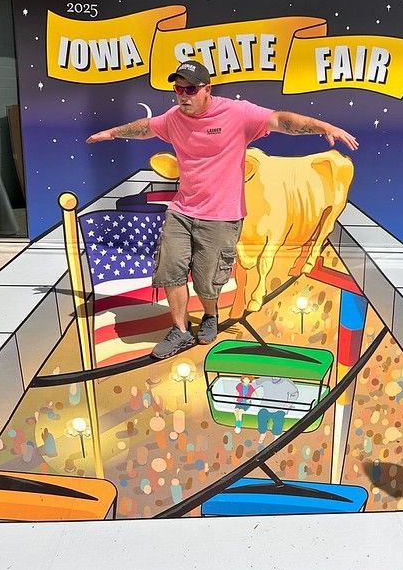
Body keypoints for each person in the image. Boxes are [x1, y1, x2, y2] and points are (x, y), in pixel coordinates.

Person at [86, 59, 358, 359]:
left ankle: (210, 314)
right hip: (181, 211)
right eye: (178, 89)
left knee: (207, 280)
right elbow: (145, 128)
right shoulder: (174, 118)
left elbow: (282, 121)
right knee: (170, 268)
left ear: (207, 89)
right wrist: (112, 133)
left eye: (190, 88)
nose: (183, 95)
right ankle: (179, 330)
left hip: (221, 216)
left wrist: (324, 126)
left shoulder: (236, 113)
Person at [253, 375, 300, 445]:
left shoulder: (287, 382)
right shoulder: (265, 379)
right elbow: (253, 385)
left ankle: (276, 436)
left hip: (280, 407)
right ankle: (263, 433)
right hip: (266, 405)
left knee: (279, 421)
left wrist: (289, 403)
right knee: (261, 416)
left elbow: (295, 393)